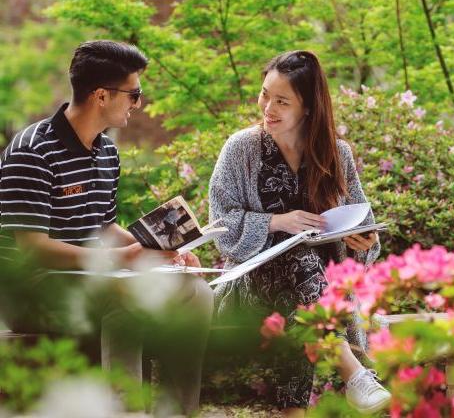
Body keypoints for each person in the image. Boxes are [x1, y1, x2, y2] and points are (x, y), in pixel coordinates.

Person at [0, 40, 213, 415]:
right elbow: (33, 247)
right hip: (34, 288)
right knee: (124, 298)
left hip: (90, 276)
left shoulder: (107, 152)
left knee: (197, 293)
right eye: (134, 94)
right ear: (101, 95)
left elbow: (105, 226)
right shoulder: (32, 151)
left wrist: (163, 249)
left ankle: (182, 410)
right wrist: (120, 259)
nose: (138, 104)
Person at [209, 50, 391, 416]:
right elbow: (220, 224)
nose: (267, 108)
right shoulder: (240, 148)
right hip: (250, 284)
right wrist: (277, 222)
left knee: (300, 299)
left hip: (317, 292)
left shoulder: (335, 154)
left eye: (281, 101)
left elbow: (362, 222)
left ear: (307, 106)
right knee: (295, 252)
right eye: (264, 94)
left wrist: (363, 243)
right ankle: (353, 374)